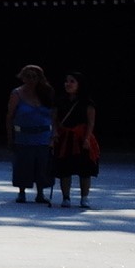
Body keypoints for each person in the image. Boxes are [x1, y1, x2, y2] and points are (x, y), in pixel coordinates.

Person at [6, 64, 56, 203]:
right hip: (23, 136)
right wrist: (10, 137)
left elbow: (54, 114)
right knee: (22, 164)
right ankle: (21, 192)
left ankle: (40, 193)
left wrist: (54, 134)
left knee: (43, 165)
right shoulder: (17, 94)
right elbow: (10, 116)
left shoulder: (46, 92)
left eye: (35, 76)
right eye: (28, 76)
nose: (31, 79)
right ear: (22, 77)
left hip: (44, 136)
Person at [52, 71, 100, 211]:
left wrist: (87, 138)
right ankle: (66, 197)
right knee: (64, 169)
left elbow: (91, 122)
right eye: (67, 81)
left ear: (79, 84)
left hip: (81, 137)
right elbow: (54, 119)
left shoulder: (87, 102)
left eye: (72, 81)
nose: (68, 84)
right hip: (65, 138)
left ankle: (84, 197)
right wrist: (54, 132)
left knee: (85, 169)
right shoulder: (60, 100)